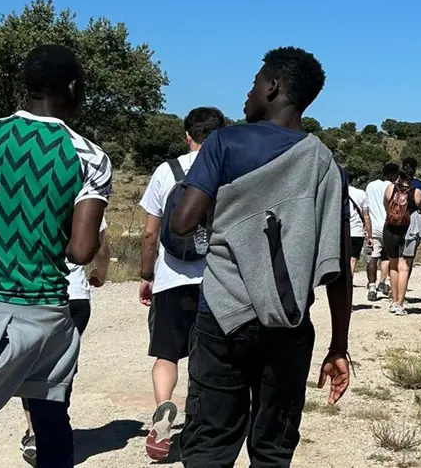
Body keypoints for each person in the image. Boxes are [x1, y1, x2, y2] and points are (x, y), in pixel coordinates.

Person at [169, 47, 351, 467]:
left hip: (223, 314)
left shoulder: (224, 143)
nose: (247, 92)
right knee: (273, 446)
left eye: (253, 83)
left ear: (271, 87)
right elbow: (338, 268)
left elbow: (182, 222)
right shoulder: (325, 164)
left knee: (211, 439)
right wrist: (338, 344)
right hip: (288, 323)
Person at [0, 44, 111, 467]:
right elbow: (80, 249)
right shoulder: (88, 155)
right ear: (72, 87)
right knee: (51, 417)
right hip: (42, 313)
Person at [137, 106, 227, 460]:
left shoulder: (166, 171)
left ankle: (163, 409)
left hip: (171, 278)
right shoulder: (229, 169)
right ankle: (202, 422)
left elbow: (149, 232)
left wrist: (147, 275)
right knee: (209, 355)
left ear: (187, 135)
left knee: (166, 354)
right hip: (216, 279)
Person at [20, 216, 110, 466]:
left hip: (40, 291)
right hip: (76, 296)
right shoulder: (87, 197)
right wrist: (99, 275)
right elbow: (102, 248)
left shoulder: (35, 187)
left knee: (32, 364)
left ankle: (35, 433)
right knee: (62, 363)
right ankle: (56, 421)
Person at [383, 164, 421, 315]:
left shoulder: (390, 189)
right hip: (408, 231)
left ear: (399, 176)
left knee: (393, 265)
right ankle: (400, 304)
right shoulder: (417, 193)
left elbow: (386, 206)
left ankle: (393, 300)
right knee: (404, 267)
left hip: (389, 229)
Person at [365, 164, 398, 301]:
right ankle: (383, 282)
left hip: (373, 226)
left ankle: (372, 287)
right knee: (388, 257)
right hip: (387, 225)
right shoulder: (391, 187)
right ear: (393, 175)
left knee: (373, 256)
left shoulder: (370, 186)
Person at [346, 169, 371, 274]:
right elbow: (366, 216)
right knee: (352, 259)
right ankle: (349, 282)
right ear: (355, 180)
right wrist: (370, 235)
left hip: (341, 230)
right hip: (356, 231)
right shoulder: (361, 193)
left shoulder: (337, 192)